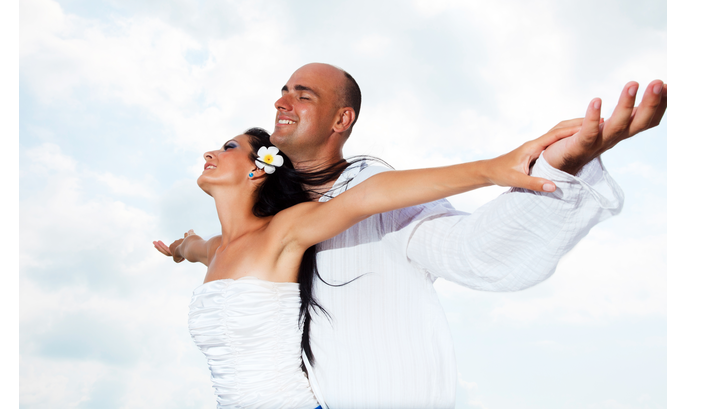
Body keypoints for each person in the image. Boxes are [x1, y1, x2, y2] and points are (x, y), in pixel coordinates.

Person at [263, 63, 667, 408]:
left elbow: (470, 250)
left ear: (341, 120)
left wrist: (558, 166)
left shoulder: (378, 196)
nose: (282, 103)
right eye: (283, 92)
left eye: (303, 96)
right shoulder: (269, 213)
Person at [153, 123, 581, 408]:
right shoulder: (214, 250)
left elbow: (368, 196)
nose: (211, 151)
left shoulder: (283, 232)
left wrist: (491, 170)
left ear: (257, 170)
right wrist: (177, 247)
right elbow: (190, 247)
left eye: (229, 148)